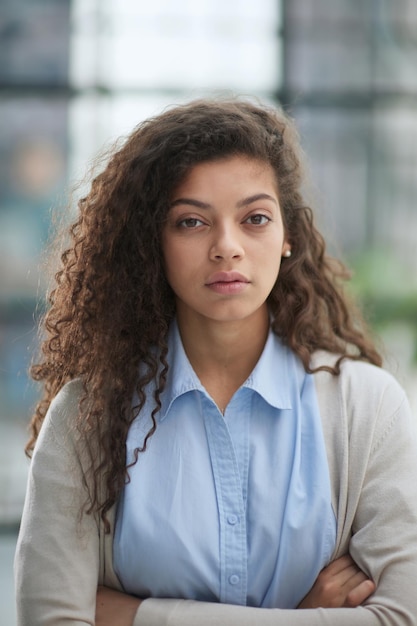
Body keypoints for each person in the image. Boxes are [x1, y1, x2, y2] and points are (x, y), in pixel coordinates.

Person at [14, 98, 417, 626]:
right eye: (191, 222)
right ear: (151, 243)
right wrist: (307, 617)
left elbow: (400, 617)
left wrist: (137, 616)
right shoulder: (85, 417)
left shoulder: (367, 405)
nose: (227, 247)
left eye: (254, 218)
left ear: (287, 234)